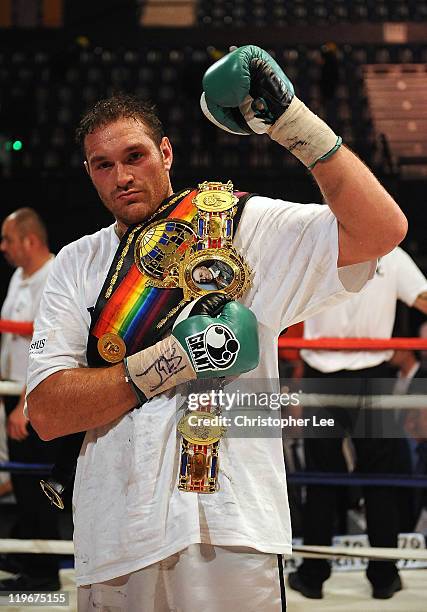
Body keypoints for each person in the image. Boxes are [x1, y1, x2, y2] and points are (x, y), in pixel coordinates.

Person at [26, 45, 407, 611]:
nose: (122, 176)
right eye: (103, 165)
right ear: (88, 172)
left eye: (135, 156)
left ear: (166, 152)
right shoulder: (75, 263)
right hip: (113, 534)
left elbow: (381, 229)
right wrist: (171, 362)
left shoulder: (240, 224)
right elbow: (47, 412)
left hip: (230, 529)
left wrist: (291, 121)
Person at [288, 247, 427, 600]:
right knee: (363, 474)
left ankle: (317, 576)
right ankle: (380, 577)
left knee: (333, 474)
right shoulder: (324, 249)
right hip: (342, 372)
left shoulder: (384, 255)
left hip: (341, 373)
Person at [0, 208, 60, 591]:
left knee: (36, 480)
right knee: (22, 482)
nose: (3, 247)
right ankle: (27, 558)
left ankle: (42, 572)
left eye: (8, 239)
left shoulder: (52, 277)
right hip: (13, 393)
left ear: (29, 240)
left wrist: (25, 403)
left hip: (36, 398)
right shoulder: (19, 277)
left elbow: (45, 345)